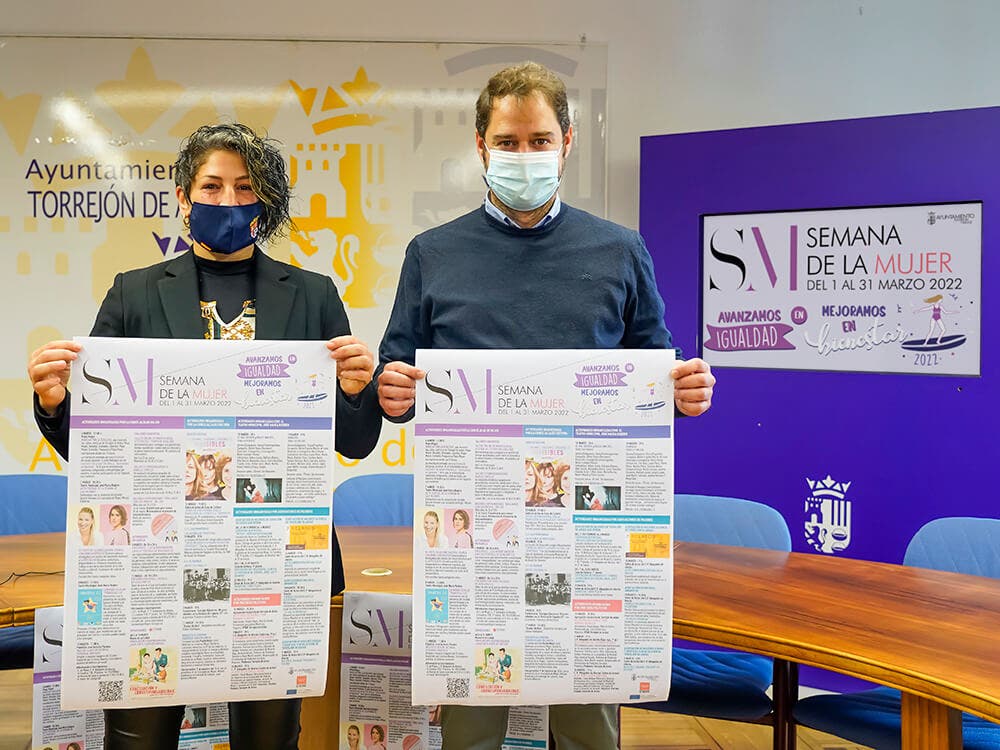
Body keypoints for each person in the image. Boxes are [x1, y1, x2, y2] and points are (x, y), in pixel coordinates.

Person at [377, 62, 715, 750]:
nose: (523, 155)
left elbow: (657, 363)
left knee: (588, 721)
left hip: (588, 525)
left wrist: (685, 393)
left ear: (567, 142)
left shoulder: (621, 250)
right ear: (480, 145)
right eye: (508, 141)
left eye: (537, 140)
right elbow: (399, 372)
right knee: (471, 718)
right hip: (474, 527)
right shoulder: (432, 253)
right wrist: (392, 391)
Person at [28, 122, 381, 750]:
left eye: (245, 188)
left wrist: (357, 390)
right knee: (141, 737)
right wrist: (55, 402)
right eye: (211, 186)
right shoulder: (134, 293)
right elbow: (100, 445)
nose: (227, 201)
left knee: (270, 741)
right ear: (184, 199)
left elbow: (352, 442)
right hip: (153, 552)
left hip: (275, 554)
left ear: (265, 206)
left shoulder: (312, 294)